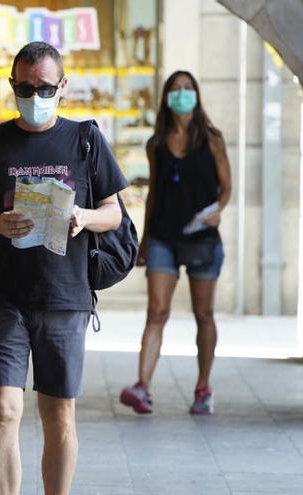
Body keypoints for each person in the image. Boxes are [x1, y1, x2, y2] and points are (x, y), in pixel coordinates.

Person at [0, 41, 127, 495]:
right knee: (4, 410)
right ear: (12, 86)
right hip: (3, 299)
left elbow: (114, 214)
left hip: (65, 297)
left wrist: (82, 217)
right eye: (24, 87)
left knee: (58, 413)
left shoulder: (85, 139)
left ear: (63, 85)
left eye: (44, 87)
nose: (34, 95)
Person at [120, 70, 231, 416]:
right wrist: (143, 237)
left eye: (187, 89)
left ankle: (203, 387)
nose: (182, 94)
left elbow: (226, 187)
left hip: (201, 237)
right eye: (175, 89)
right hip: (163, 236)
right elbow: (154, 193)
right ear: (166, 97)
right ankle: (142, 386)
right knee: (157, 310)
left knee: (203, 314)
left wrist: (218, 211)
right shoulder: (157, 143)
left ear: (196, 95)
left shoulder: (212, 139)